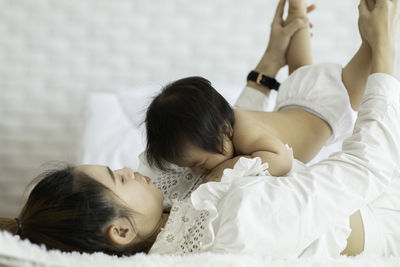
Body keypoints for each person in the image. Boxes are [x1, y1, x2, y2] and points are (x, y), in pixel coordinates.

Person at [0, 0, 399, 258]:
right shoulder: (238, 226)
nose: (128, 169)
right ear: (120, 230)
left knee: (307, 88)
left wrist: (267, 66)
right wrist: (383, 45)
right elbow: (369, 167)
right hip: (386, 218)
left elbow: (220, 140)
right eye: (117, 178)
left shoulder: (164, 212)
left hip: (354, 183)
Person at [144, 0, 374, 179]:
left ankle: (377, 17)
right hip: (296, 99)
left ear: (224, 130)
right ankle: (297, 12)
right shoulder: (226, 122)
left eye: (201, 164)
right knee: (301, 60)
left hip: (328, 109)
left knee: (371, 51)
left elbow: (281, 160)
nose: (197, 172)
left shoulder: (245, 134)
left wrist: (225, 168)